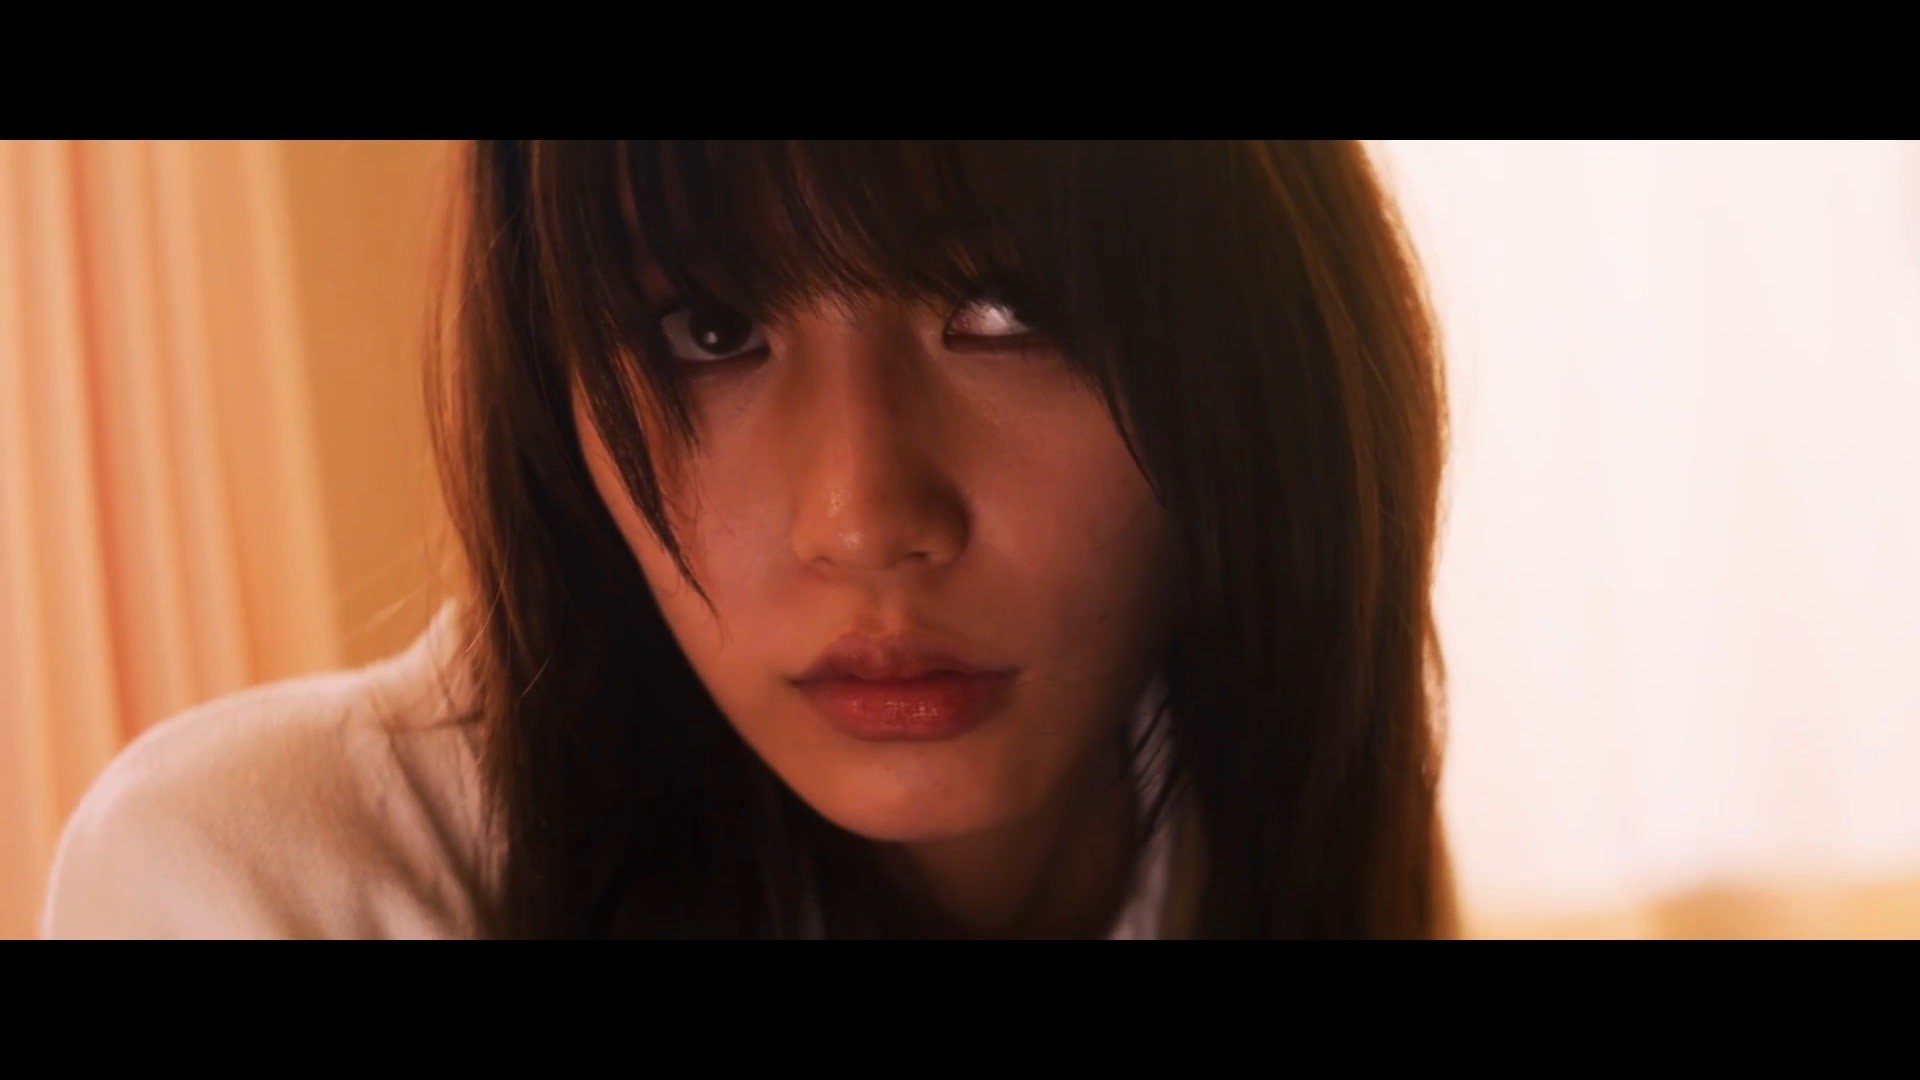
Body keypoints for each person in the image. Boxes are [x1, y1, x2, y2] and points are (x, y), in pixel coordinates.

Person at [41, 141, 1457, 939]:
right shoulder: (255, 883)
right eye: (709, 332)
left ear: (1264, 350)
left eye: (1008, 313)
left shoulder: (1269, 825)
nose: (860, 519)